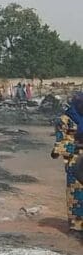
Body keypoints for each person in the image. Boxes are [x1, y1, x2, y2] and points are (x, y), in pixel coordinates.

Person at [51, 92, 83, 232]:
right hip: (75, 163)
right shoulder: (64, 120)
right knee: (76, 196)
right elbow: (60, 143)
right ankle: (76, 228)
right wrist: (77, 145)